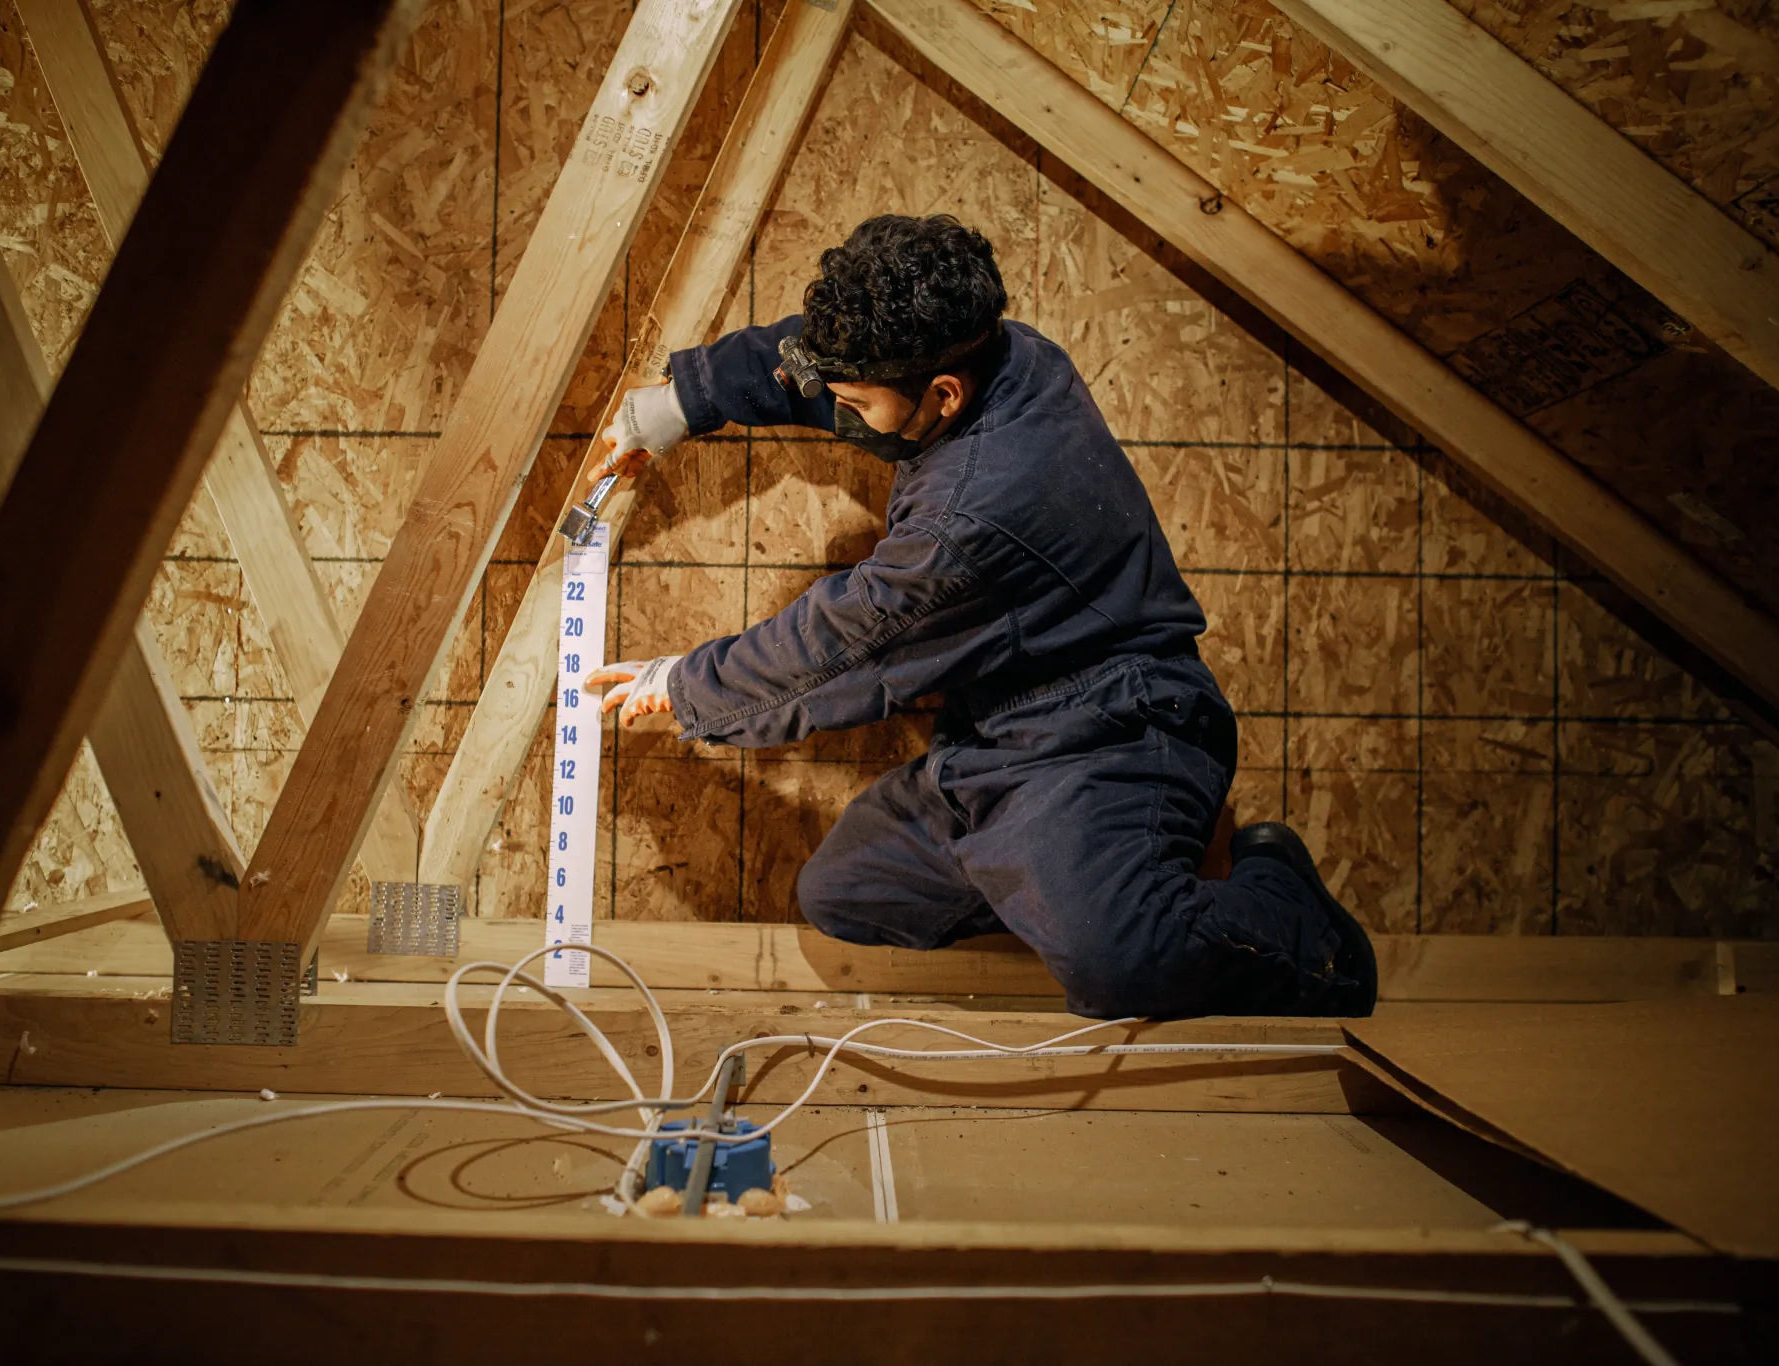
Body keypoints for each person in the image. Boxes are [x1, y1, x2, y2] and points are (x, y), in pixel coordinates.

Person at [586, 213, 1374, 1020]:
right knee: (846, 894)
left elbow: (844, 645)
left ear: (943, 396)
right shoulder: (993, 351)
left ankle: (1290, 912)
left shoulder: (973, 515)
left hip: (1112, 732)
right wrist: (688, 399)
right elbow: (833, 362)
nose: (844, 413)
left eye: (859, 402)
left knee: (1121, 967)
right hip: (991, 739)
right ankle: (1047, 875)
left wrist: (684, 686)